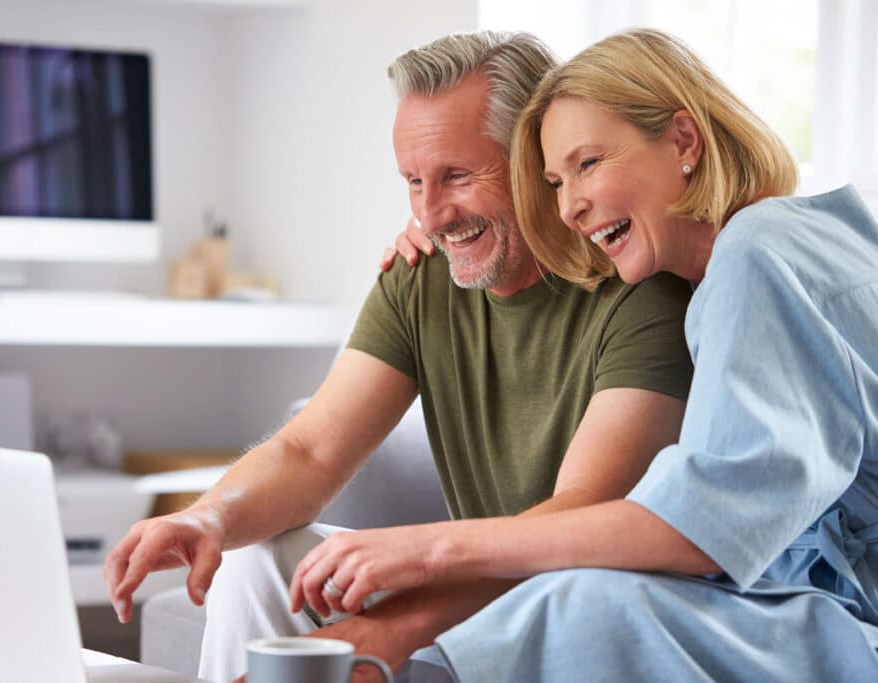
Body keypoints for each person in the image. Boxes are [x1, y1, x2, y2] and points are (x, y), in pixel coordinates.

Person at [104, 31, 695, 682]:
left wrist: (397, 617)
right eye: (414, 181)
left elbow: (576, 521)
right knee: (252, 558)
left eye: (457, 176)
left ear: (536, 159)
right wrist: (206, 516)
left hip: (582, 602)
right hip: (472, 585)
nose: (432, 213)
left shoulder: (639, 288)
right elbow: (310, 450)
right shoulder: (422, 277)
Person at [339, 28, 878, 681]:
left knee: (583, 604)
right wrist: (446, 223)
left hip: (849, 629)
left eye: (588, 163)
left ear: (683, 141)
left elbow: (697, 529)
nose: (569, 207)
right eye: (554, 181)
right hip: (811, 613)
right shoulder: (763, 260)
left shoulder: (757, 251)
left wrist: (432, 550)